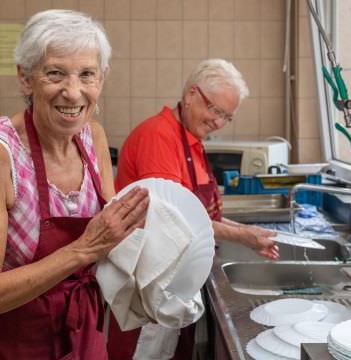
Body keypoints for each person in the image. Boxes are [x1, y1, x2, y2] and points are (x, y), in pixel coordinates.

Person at [0, 9, 149, 360]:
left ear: (102, 79)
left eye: (87, 75)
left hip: (83, 334)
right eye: (55, 73)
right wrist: (83, 250)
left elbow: (109, 239)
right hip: (13, 343)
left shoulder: (94, 138)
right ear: (26, 79)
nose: (73, 93)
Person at [108, 59, 280, 359]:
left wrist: (247, 231)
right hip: (148, 284)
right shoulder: (159, 136)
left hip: (172, 280)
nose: (218, 123)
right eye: (214, 110)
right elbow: (175, 222)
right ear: (191, 95)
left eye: (227, 117)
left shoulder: (191, 142)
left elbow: (201, 216)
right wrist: (244, 238)